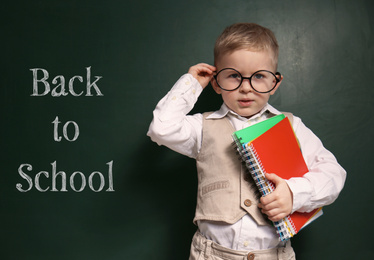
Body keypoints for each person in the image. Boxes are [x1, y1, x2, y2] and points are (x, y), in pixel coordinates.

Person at [147, 23, 346, 260]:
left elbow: (334, 174)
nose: (245, 88)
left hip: (273, 254)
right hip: (211, 255)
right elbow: (161, 128)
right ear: (216, 82)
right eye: (233, 76)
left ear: (275, 82)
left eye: (259, 76)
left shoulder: (291, 126)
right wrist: (190, 84)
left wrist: (294, 194)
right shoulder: (202, 126)